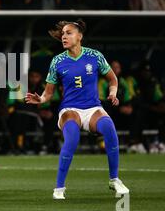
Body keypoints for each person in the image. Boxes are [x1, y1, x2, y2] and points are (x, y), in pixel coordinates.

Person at [25, 19, 129, 200]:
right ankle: (59, 188)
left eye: (69, 33)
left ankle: (114, 179)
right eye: (63, 34)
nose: (64, 36)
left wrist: (113, 93)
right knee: (72, 137)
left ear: (79, 36)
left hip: (93, 108)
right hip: (69, 109)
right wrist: (40, 99)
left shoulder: (95, 56)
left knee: (110, 129)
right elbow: (48, 93)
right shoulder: (58, 61)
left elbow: (113, 79)